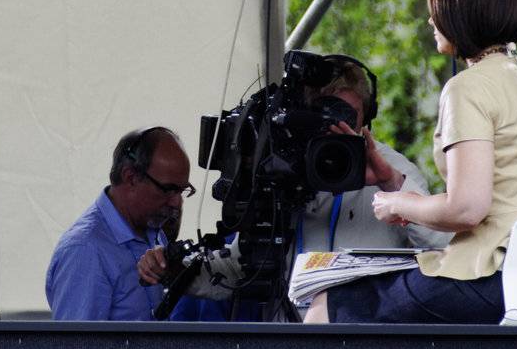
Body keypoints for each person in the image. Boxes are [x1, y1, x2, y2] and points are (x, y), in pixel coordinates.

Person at [308, 0, 517, 324]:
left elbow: (466, 209)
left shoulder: (468, 87)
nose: (431, 19)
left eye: (438, 8)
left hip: (487, 276)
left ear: (463, 13)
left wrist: (398, 204)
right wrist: (394, 183)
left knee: (325, 305)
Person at [135, 54, 449, 312]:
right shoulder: (286, 170)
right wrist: (175, 271)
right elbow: (241, 269)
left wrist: (389, 183)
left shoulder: (392, 169)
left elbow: (444, 248)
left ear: (366, 116)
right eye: (326, 114)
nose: (336, 127)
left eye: (347, 116)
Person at [46, 126, 192, 321]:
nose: (177, 202)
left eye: (182, 191)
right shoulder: (85, 251)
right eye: (168, 189)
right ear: (130, 177)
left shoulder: (152, 229)